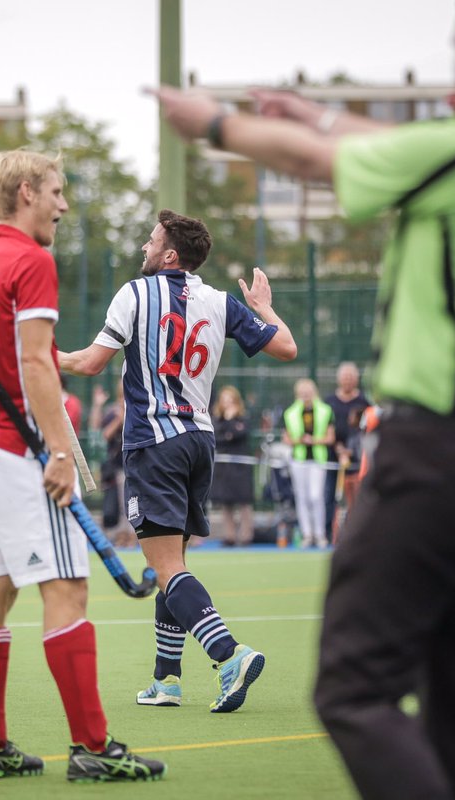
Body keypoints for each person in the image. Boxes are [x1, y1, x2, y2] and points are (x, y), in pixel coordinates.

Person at [152, 1, 455, 796]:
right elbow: (410, 148)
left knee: (351, 686)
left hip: (445, 452)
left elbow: (313, 160)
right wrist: (322, 111)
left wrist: (213, 123)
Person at [0, 149, 164, 782]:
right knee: (67, 589)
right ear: (25, 193)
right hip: (21, 455)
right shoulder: (30, 260)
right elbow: (39, 362)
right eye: (56, 192)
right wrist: (60, 453)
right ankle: (94, 750)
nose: (63, 205)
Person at [60, 208, 296, 714]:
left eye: (150, 241)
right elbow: (287, 347)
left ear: (169, 254)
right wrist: (264, 307)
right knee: (175, 565)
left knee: (165, 566)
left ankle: (229, 654)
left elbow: (90, 363)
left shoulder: (135, 293)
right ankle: (166, 679)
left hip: (154, 444)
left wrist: (37, 355)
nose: (143, 248)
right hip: (199, 443)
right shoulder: (220, 301)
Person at [282, 378, 335, 548]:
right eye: (302, 392)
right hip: (298, 459)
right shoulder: (290, 413)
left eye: (308, 392)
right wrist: (298, 441)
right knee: (302, 497)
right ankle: (307, 534)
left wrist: (314, 441)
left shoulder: (325, 411)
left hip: (318, 460)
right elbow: (286, 438)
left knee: (316, 496)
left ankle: (320, 534)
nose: (305, 396)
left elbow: (330, 437)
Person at [323, 363, 370, 541]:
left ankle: (357, 533)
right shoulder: (329, 402)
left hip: (357, 458)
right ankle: (328, 533)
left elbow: (367, 429)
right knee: (330, 495)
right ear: (339, 379)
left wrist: (352, 450)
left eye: (351, 376)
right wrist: (339, 448)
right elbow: (325, 426)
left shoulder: (363, 402)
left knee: (357, 496)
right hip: (333, 456)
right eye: (345, 376)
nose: (348, 380)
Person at [88, 382, 134, 548]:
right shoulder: (114, 411)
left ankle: (131, 535)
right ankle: (121, 535)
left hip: (135, 463)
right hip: (117, 465)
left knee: (131, 503)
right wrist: (98, 406)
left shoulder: (139, 408)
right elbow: (100, 432)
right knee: (119, 504)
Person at [211, 386, 255, 547]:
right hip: (224, 467)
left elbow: (239, 435)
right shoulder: (217, 420)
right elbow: (219, 438)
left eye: (231, 400)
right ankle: (229, 536)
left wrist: (230, 423)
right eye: (225, 400)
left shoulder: (243, 418)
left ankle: (246, 536)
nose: (228, 404)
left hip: (241, 466)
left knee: (244, 502)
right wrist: (229, 430)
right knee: (226, 502)